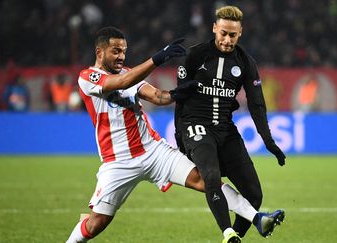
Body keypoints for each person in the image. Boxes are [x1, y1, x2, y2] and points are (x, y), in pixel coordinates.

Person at [66, 27, 274, 243]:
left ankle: (258, 218)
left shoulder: (129, 73)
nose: (121, 56)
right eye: (115, 51)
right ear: (99, 52)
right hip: (118, 161)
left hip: (154, 150)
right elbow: (119, 84)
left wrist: (179, 93)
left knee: (204, 179)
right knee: (97, 222)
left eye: (124, 51)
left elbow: (158, 96)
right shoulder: (88, 77)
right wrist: (156, 59)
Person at [174, 6, 287, 240]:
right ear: (215, 28)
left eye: (232, 35)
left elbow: (257, 104)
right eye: (223, 33)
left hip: (225, 130)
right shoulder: (195, 56)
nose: (227, 40)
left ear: (240, 33)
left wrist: (268, 140)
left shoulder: (246, 62)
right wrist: (180, 136)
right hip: (196, 125)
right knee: (212, 177)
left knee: (254, 195)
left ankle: (235, 237)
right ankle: (227, 233)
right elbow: (180, 98)